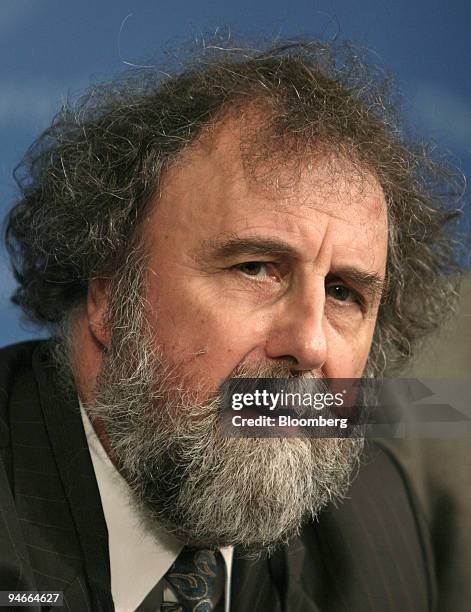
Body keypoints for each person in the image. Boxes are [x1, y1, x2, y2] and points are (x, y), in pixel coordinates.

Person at [0, 38, 461, 611]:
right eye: (257, 269)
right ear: (110, 299)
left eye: (343, 293)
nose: (310, 345)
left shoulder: (372, 521)